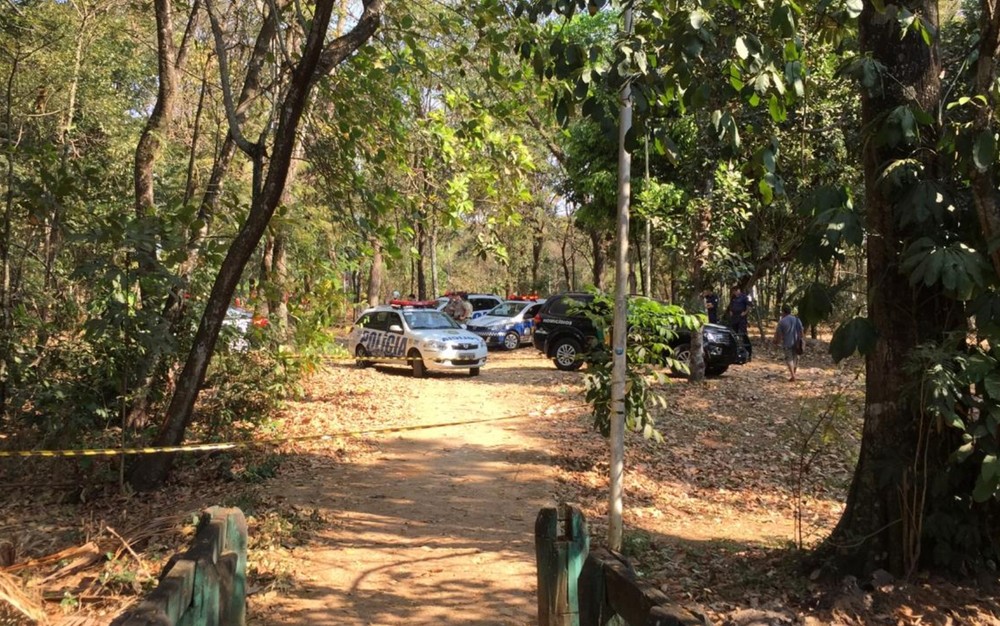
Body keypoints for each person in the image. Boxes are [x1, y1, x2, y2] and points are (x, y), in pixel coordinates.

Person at [774, 304, 804, 381]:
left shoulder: (782, 322)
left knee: (789, 359)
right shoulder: (797, 319)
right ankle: (793, 374)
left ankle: (793, 376)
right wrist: (801, 340)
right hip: (797, 342)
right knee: (796, 358)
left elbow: (779, 335)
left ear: (783, 312)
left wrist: (777, 343)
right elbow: (801, 332)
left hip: (787, 343)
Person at [728, 286, 753, 362]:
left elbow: (749, 306)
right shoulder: (733, 298)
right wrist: (731, 312)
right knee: (733, 334)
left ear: (738, 290)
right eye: (733, 292)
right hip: (734, 317)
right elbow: (731, 305)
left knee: (743, 334)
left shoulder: (744, 297)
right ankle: (735, 351)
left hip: (741, 318)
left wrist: (745, 313)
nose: (734, 293)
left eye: (735, 291)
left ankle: (747, 352)